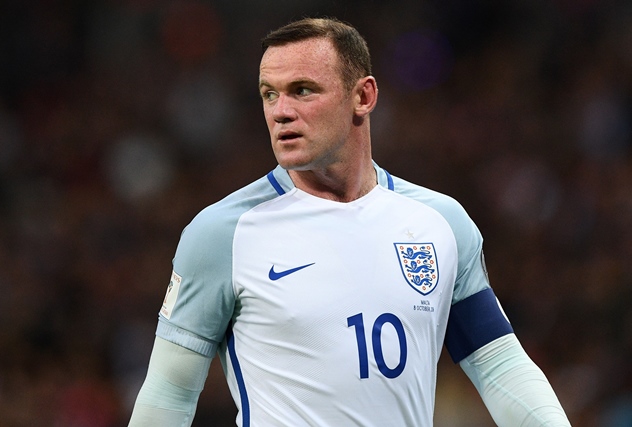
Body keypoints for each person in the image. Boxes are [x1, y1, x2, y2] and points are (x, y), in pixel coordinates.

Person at [129, 17, 571, 427]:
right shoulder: (222, 234)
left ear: (363, 96)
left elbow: (498, 364)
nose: (280, 111)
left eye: (302, 90)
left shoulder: (441, 223)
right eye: (269, 93)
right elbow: (169, 391)